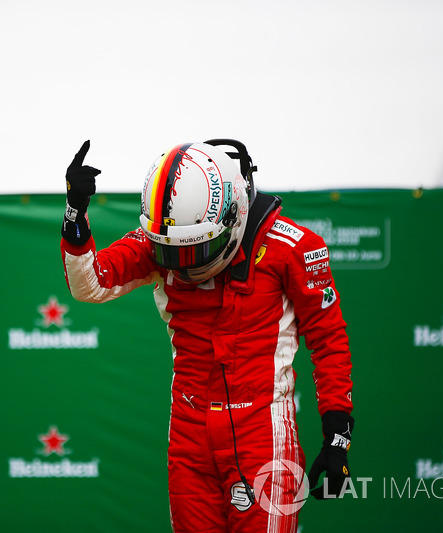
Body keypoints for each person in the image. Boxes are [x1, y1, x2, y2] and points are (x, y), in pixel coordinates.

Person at [59, 139, 354, 533]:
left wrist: (337, 434)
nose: (183, 261)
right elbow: (89, 284)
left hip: (262, 432)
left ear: (232, 216)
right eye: (173, 251)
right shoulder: (165, 237)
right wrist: (75, 213)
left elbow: (328, 338)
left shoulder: (294, 248)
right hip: (189, 432)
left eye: (197, 248)